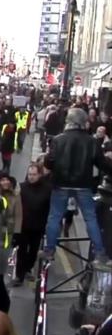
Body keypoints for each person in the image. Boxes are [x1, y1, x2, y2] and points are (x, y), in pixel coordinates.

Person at [42, 107, 112, 266]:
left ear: (69, 122)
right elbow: (102, 164)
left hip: (60, 183)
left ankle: (49, 250)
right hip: (83, 185)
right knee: (90, 219)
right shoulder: (91, 141)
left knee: (54, 217)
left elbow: (48, 162)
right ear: (83, 123)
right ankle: (100, 253)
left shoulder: (58, 140)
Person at [16, 164, 51, 284]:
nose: (31, 177)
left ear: (40, 175)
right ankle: (19, 276)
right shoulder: (21, 187)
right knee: (22, 251)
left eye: (34, 175)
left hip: (38, 226)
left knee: (33, 251)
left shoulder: (47, 189)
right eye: (29, 174)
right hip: (23, 226)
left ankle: (28, 269)